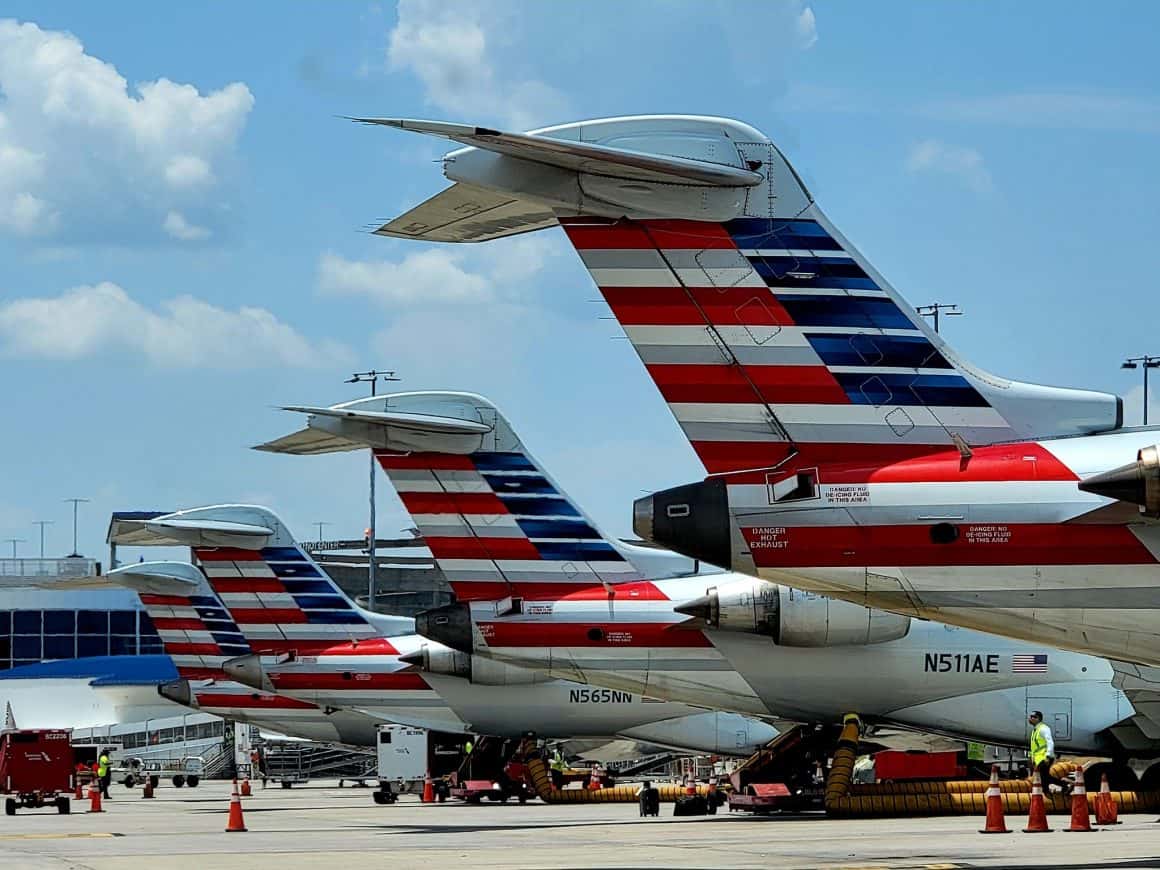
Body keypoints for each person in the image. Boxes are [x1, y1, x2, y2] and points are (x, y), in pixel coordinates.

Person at [1028, 710, 1068, 794]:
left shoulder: (1043, 728)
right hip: (1039, 758)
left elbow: (1050, 742)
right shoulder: (1035, 730)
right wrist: (1031, 758)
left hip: (1045, 757)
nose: (1031, 718)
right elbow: (1034, 747)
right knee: (1044, 777)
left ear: (1038, 719)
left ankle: (1063, 785)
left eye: (1033, 717)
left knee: (1044, 777)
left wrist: (1048, 756)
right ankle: (1048, 791)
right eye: (1030, 716)